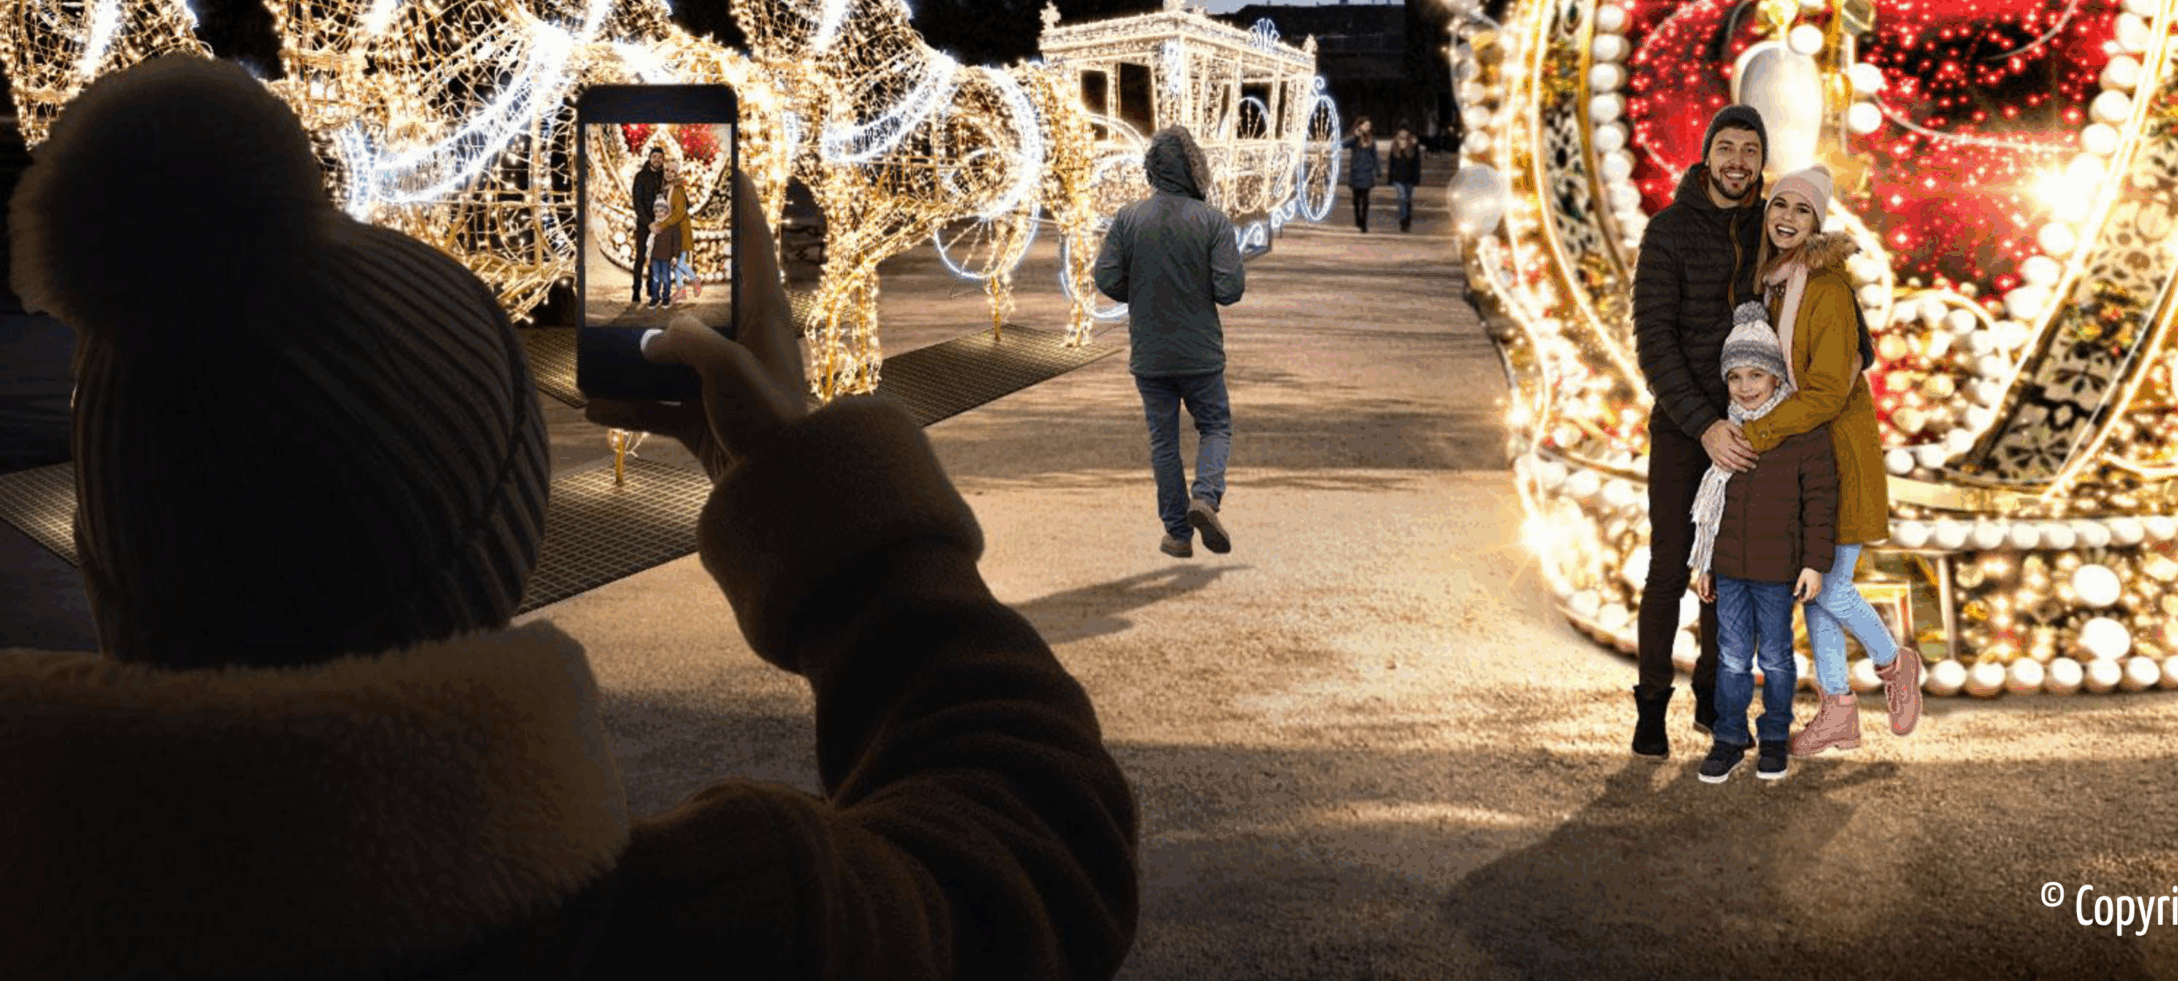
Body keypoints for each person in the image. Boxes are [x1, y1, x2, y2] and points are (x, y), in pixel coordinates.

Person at [0, 54, 1139, 977]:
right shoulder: (727, 926)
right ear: (497, 529)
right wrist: (798, 469)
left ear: (114, 557)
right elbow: (1041, 834)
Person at [1704, 164, 1925, 752]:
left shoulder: (1823, 289)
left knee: (1828, 588)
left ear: (1818, 223)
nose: (1787, 220)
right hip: (1802, 452)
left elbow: (1827, 390)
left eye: (1803, 212)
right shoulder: (1776, 284)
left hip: (1836, 453)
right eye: (1781, 207)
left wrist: (1762, 431)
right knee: (1816, 591)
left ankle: (1893, 663)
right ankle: (1840, 710)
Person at [1625, 102, 1766, 757]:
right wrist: (1703, 423)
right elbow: (1654, 343)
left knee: (1729, 574)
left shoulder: (1775, 231)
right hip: (1685, 430)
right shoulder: (1670, 232)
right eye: (1728, 148)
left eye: (1751, 151)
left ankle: (1714, 699)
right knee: (1668, 571)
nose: (1738, 162)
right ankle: (1651, 705)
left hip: (1750, 433)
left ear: (1762, 162)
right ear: (1707, 153)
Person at [1688, 302, 1835, 785]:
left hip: (1777, 570)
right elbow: (1709, 509)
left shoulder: (1800, 434)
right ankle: (1729, 739)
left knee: (1775, 657)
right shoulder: (1724, 434)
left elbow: (1819, 500)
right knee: (1731, 658)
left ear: (1776, 378)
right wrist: (1704, 564)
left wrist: (1814, 563)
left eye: (1757, 374)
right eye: (1735, 377)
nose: (1746, 386)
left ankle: (1774, 737)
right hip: (1729, 568)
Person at [1095, 123, 1246, 558]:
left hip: (1150, 353)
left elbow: (1105, 276)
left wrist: (1139, 291)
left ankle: (1177, 534)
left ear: (1151, 170)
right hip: (1200, 353)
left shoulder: (1129, 218)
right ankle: (1206, 497)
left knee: (1163, 441)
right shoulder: (1212, 222)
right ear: (1194, 168)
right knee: (1215, 426)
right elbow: (1229, 290)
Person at [629, 141, 667, 304]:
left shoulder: (665, 177)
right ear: (650, 158)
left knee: (655, 257)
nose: (657, 159)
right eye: (654, 156)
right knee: (640, 256)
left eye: (660, 157)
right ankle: (636, 290)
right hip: (643, 223)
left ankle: (651, 288)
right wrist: (648, 222)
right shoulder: (641, 176)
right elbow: (637, 203)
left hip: (659, 223)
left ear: (663, 159)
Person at [1345, 117, 1379, 232]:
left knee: (1365, 200)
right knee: (1356, 199)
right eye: (1365, 125)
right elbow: (1343, 144)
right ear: (1360, 126)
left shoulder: (1371, 140)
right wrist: (1355, 136)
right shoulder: (1354, 138)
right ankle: (1358, 218)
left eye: (1369, 126)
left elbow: (1375, 155)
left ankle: (1364, 223)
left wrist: (1377, 169)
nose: (1367, 128)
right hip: (1356, 172)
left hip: (1367, 172)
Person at [1385, 126, 1422, 232]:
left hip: (1409, 177)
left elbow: (1417, 163)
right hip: (1398, 178)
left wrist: (1417, 177)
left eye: (1405, 131)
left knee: (1408, 200)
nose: (1403, 133)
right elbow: (1391, 163)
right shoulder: (1394, 145)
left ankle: (1407, 218)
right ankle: (1403, 220)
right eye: (1401, 131)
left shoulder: (1413, 145)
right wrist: (1390, 177)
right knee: (1402, 199)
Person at [646, 193, 679, 308]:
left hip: (666, 257)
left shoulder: (671, 226)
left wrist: (675, 256)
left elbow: (676, 242)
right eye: (656, 211)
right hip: (655, 256)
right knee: (655, 278)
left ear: (666, 212)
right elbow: (650, 243)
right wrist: (648, 256)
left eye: (661, 211)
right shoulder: (655, 226)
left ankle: (666, 297)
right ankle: (655, 297)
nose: (659, 213)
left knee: (666, 278)